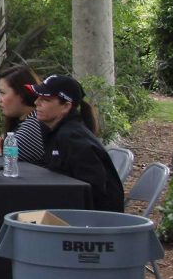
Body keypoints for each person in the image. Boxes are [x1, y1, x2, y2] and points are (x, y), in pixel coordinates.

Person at [28, 75, 123, 212]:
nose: (37, 102)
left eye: (46, 99)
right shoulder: (57, 131)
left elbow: (94, 189)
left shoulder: (72, 137)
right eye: (38, 97)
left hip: (95, 221)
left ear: (66, 106)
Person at [0, 66, 45, 164]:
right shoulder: (24, 120)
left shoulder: (34, 124)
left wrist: (2, 144)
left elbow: (9, 160)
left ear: (21, 94)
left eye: (2, 93)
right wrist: (1, 141)